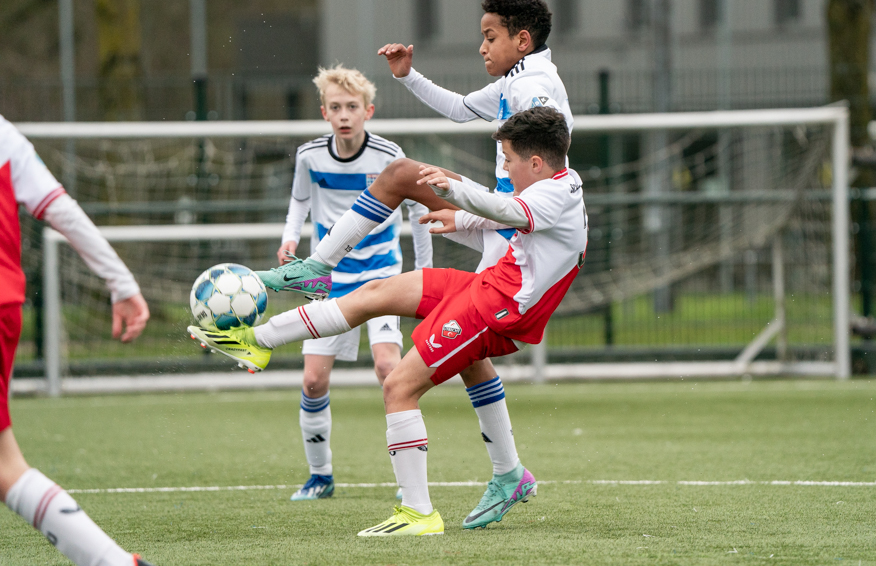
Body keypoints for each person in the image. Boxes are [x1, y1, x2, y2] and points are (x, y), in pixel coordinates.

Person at [253, 0, 571, 528]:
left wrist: (462, 199)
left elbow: (547, 153)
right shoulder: (515, 79)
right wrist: (407, 76)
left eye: (489, 37)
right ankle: (508, 471)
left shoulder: (535, 90)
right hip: (501, 233)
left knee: (398, 176)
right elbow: (459, 110)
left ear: (521, 40)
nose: (481, 47)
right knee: (454, 345)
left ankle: (317, 266)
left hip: (513, 230)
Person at [189, 107, 588, 536]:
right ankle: (258, 340)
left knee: (398, 386)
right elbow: (509, 213)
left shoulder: (552, 195)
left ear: (534, 163)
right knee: (373, 294)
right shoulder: (559, 183)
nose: (504, 168)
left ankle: (419, 512)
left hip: (498, 310)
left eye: (508, 159)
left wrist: (453, 190)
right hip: (491, 285)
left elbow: (510, 210)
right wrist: (462, 216)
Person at [0, 116, 154, 565]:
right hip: (4, 302)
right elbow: (61, 208)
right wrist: (121, 283)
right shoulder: (4, 134)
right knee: (6, 467)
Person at [277, 66, 432, 502]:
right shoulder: (309, 156)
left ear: (369, 111)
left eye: (352, 107)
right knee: (312, 381)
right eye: (336, 107)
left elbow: (418, 214)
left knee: (389, 369)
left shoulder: (389, 155)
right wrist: (290, 237)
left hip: (381, 274)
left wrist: (423, 272)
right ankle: (320, 476)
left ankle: (409, 485)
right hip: (328, 279)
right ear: (324, 112)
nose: (344, 115)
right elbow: (299, 201)